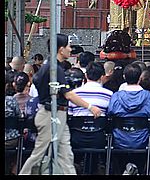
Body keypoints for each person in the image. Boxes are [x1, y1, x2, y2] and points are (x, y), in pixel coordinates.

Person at [19, 34, 102, 175]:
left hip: (58, 114)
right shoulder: (54, 69)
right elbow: (68, 94)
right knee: (39, 154)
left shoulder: (51, 66)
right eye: (68, 46)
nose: (71, 50)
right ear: (61, 49)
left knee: (66, 155)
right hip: (50, 115)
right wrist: (90, 107)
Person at [107, 63, 150, 150]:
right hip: (143, 140)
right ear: (140, 78)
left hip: (119, 139)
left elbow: (110, 113)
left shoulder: (115, 97)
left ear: (124, 77)